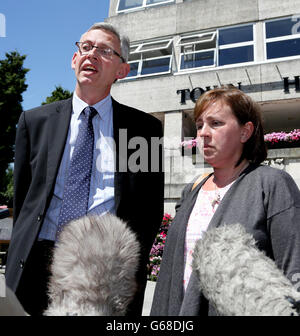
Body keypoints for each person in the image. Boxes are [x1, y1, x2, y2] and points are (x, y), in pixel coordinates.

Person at [5, 22, 164, 316]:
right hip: (37, 261)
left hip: (105, 269)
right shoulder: (35, 121)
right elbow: (24, 200)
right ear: (74, 59)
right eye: (86, 47)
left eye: (104, 50)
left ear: (121, 70)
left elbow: (148, 211)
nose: (91, 55)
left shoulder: (144, 130)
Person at [150, 87, 300, 316]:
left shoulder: (273, 184)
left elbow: (293, 269)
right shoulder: (192, 191)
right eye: (199, 125)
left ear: (245, 132)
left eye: (215, 123)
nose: (203, 133)